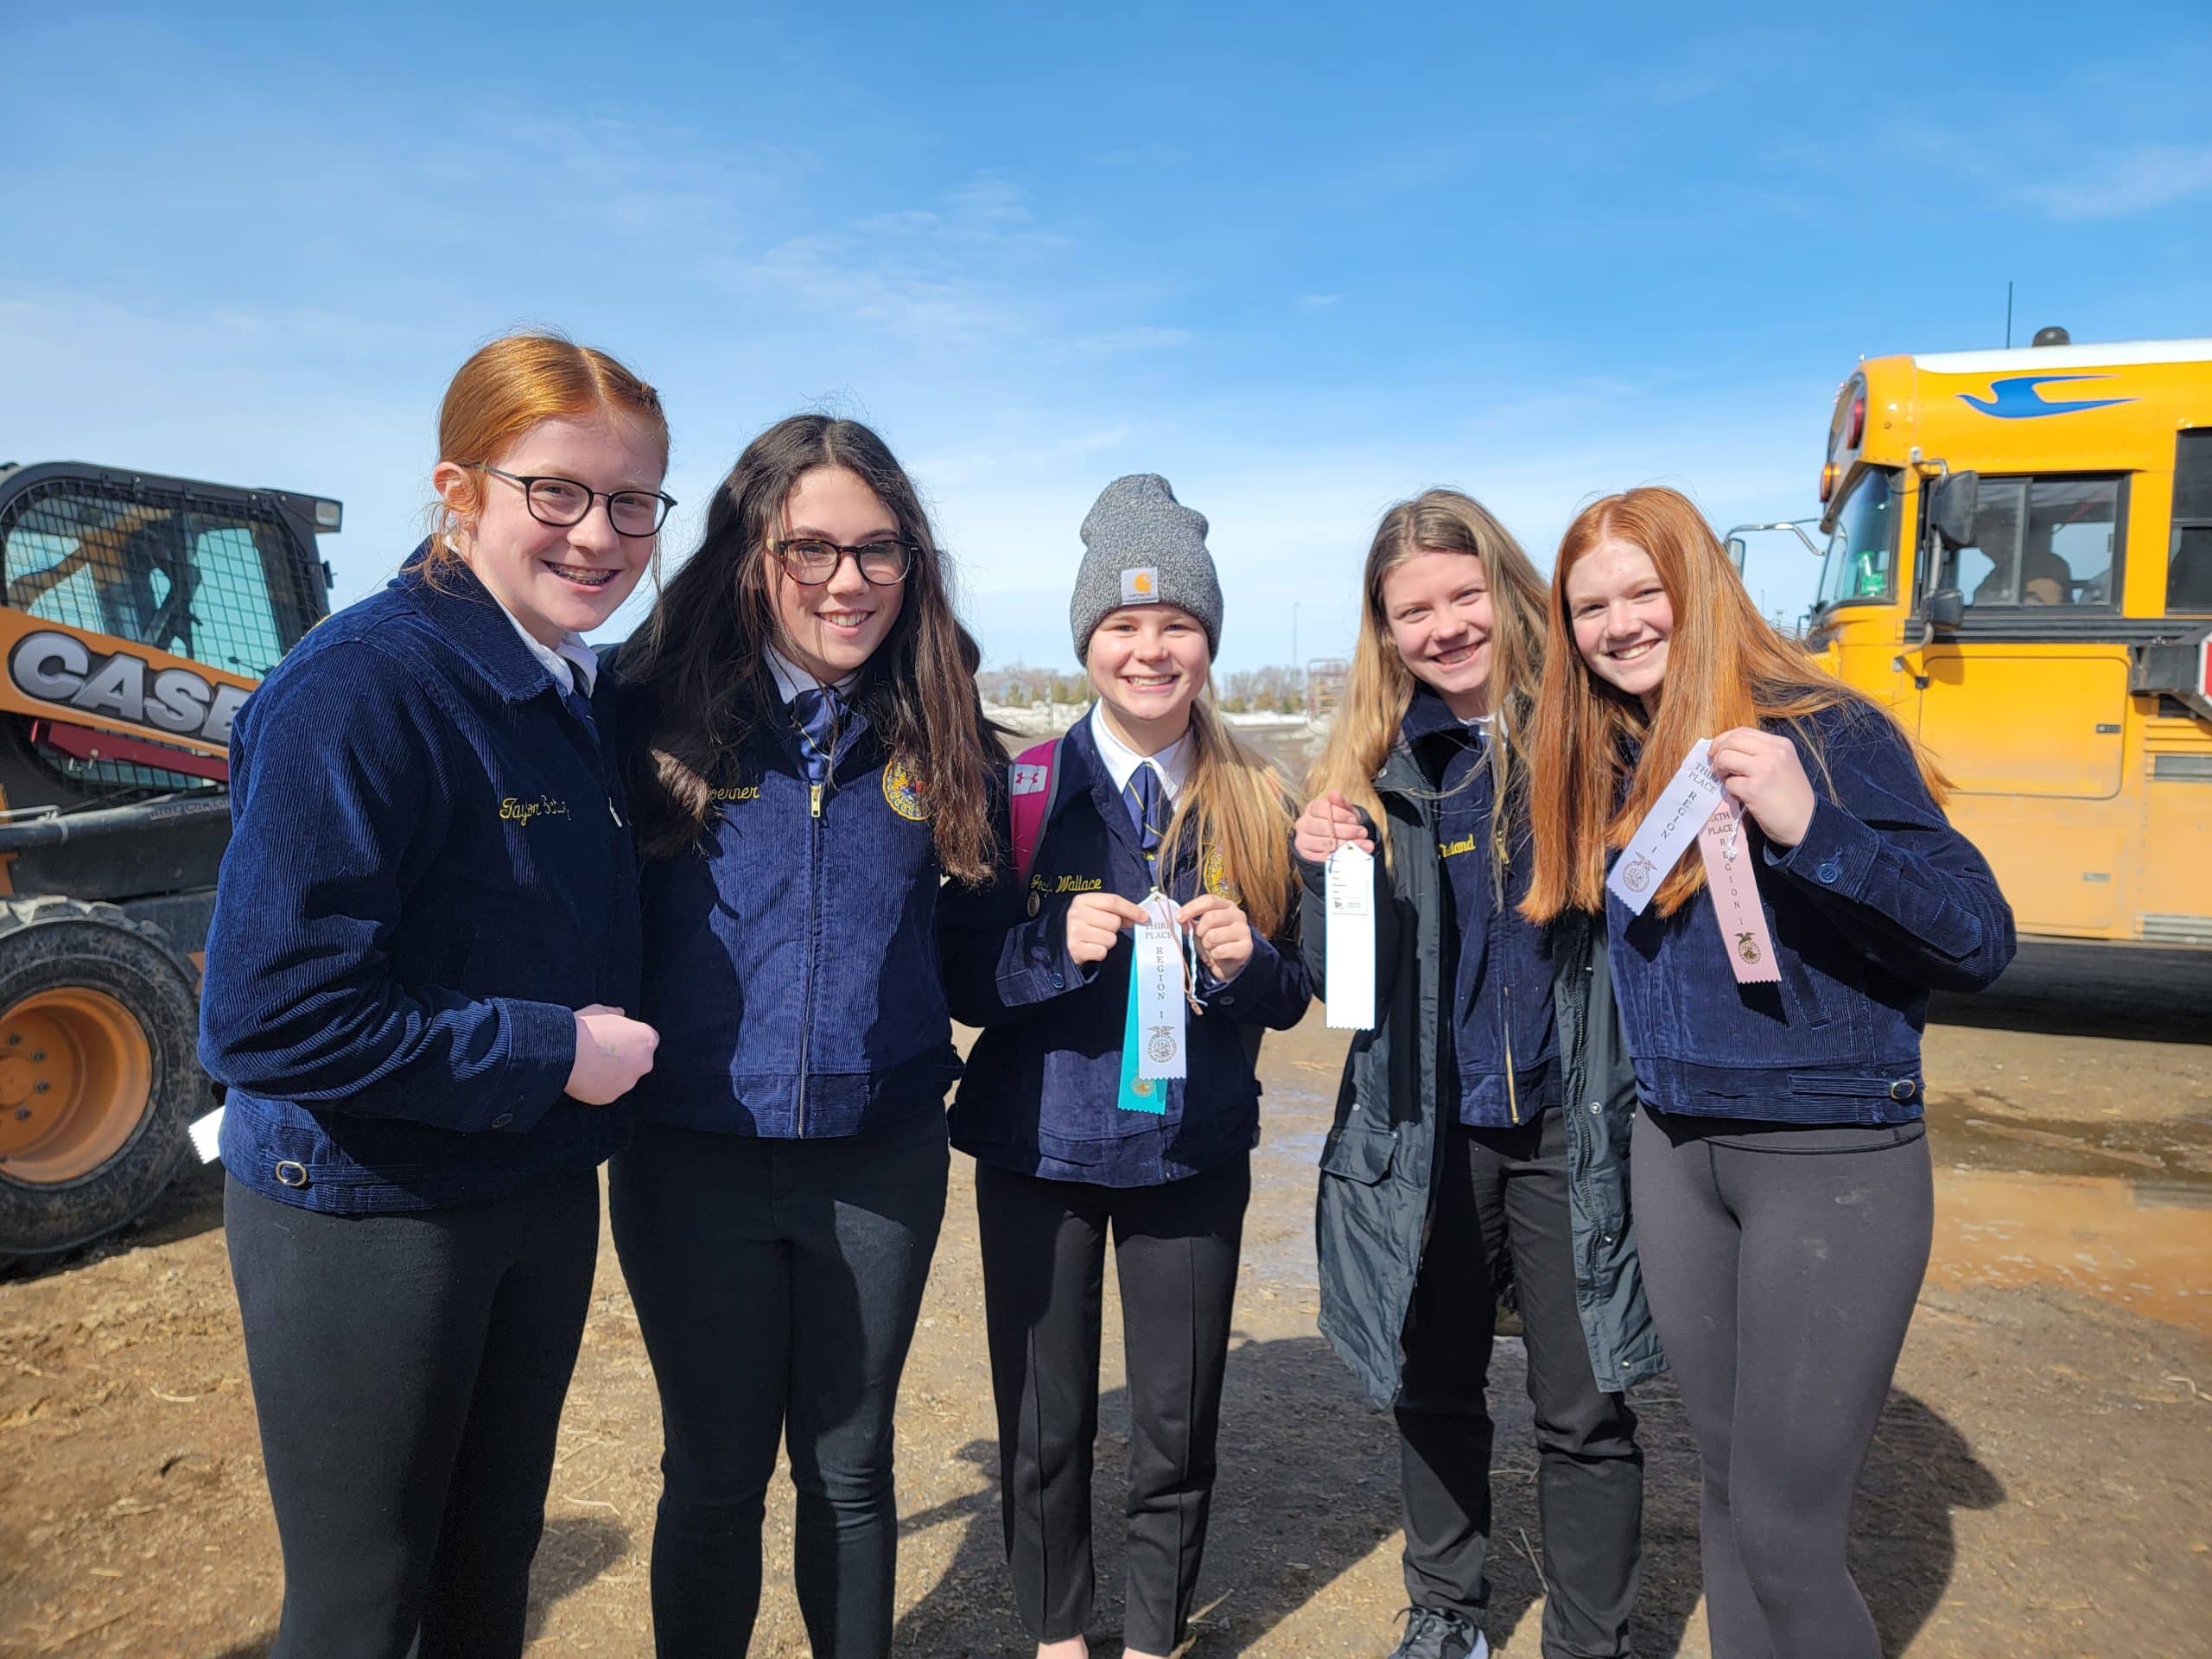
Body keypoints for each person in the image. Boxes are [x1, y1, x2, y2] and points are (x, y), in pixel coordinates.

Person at [200, 333, 668, 1659]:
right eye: (556, 491)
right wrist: (551, 1051)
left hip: (530, 1184)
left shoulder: (562, 687)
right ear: (459, 489)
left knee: (488, 1567)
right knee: (364, 1605)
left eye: (633, 502)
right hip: (369, 1203)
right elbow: (270, 1013)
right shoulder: (365, 687)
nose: (599, 535)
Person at [1523, 486, 2015, 1659]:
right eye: (1590, 607)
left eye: (1646, 592)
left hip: (1828, 1157)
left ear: (1702, 589)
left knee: (1791, 1535)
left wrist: (1810, 828)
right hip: (1677, 1155)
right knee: (1730, 1492)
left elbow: (1978, 940)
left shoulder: (1827, 733)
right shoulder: (1607, 754)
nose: (1620, 624)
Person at [607, 415, 1001, 1659]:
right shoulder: (638, 714)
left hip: (881, 1161)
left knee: (851, 1467)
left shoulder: (945, 723)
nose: (847, 581)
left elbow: (979, 951)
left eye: (879, 549)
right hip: (689, 1158)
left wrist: (1103, 938)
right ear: (749, 554)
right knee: (713, 1474)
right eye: (810, 549)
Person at [939, 474, 1311, 1659]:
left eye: (1178, 625)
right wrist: (1050, 947)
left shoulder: (1261, 797)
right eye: (1123, 624)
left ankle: (1150, 1635)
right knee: (1044, 1423)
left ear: (1209, 640)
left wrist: (1249, 963)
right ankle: (1059, 1634)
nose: (1151, 650)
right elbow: (957, 978)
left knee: (1175, 1421)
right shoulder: (1020, 791)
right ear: (1086, 640)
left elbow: (1299, 996)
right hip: (1038, 1148)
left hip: (1191, 1155)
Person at [1296, 490, 1657, 1659]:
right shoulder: (1375, 770)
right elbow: (1339, 987)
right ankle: (1447, 1612)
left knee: (1585, 1408)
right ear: (1385, 631)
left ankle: (1590, 1640)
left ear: (1508, 590)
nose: (1445, 627)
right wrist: (1322, 880)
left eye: (1464, 596)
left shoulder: (1601, 735)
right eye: (1414, 612)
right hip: (1434, 1134)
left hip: (1573, 1127)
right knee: (1436, 1388)